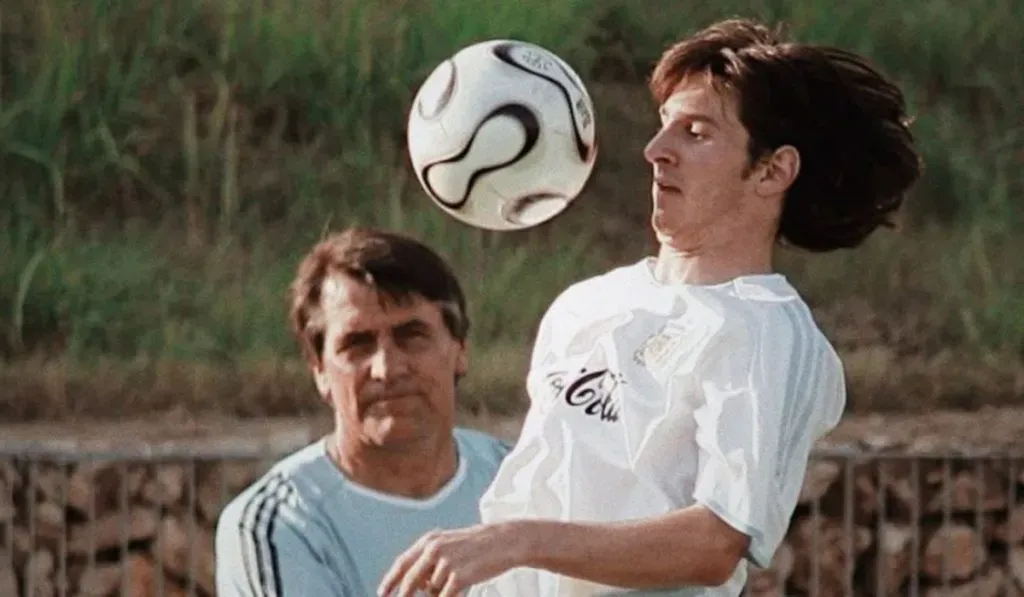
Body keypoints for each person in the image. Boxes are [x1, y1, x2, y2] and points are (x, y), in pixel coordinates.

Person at [378, 17, 922, 597]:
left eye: (695, 132)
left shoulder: (768, 333)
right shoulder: (585, 304)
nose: (656, 151)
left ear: (772, 170)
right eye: (665, 127)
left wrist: (514, 540)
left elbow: (716, 542)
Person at [214, 227, 511, 596]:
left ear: (460, 349)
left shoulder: (523, 481)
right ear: (319, 370)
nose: (387, 368)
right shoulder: (280, 527)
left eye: (411, 336)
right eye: (358, 344)